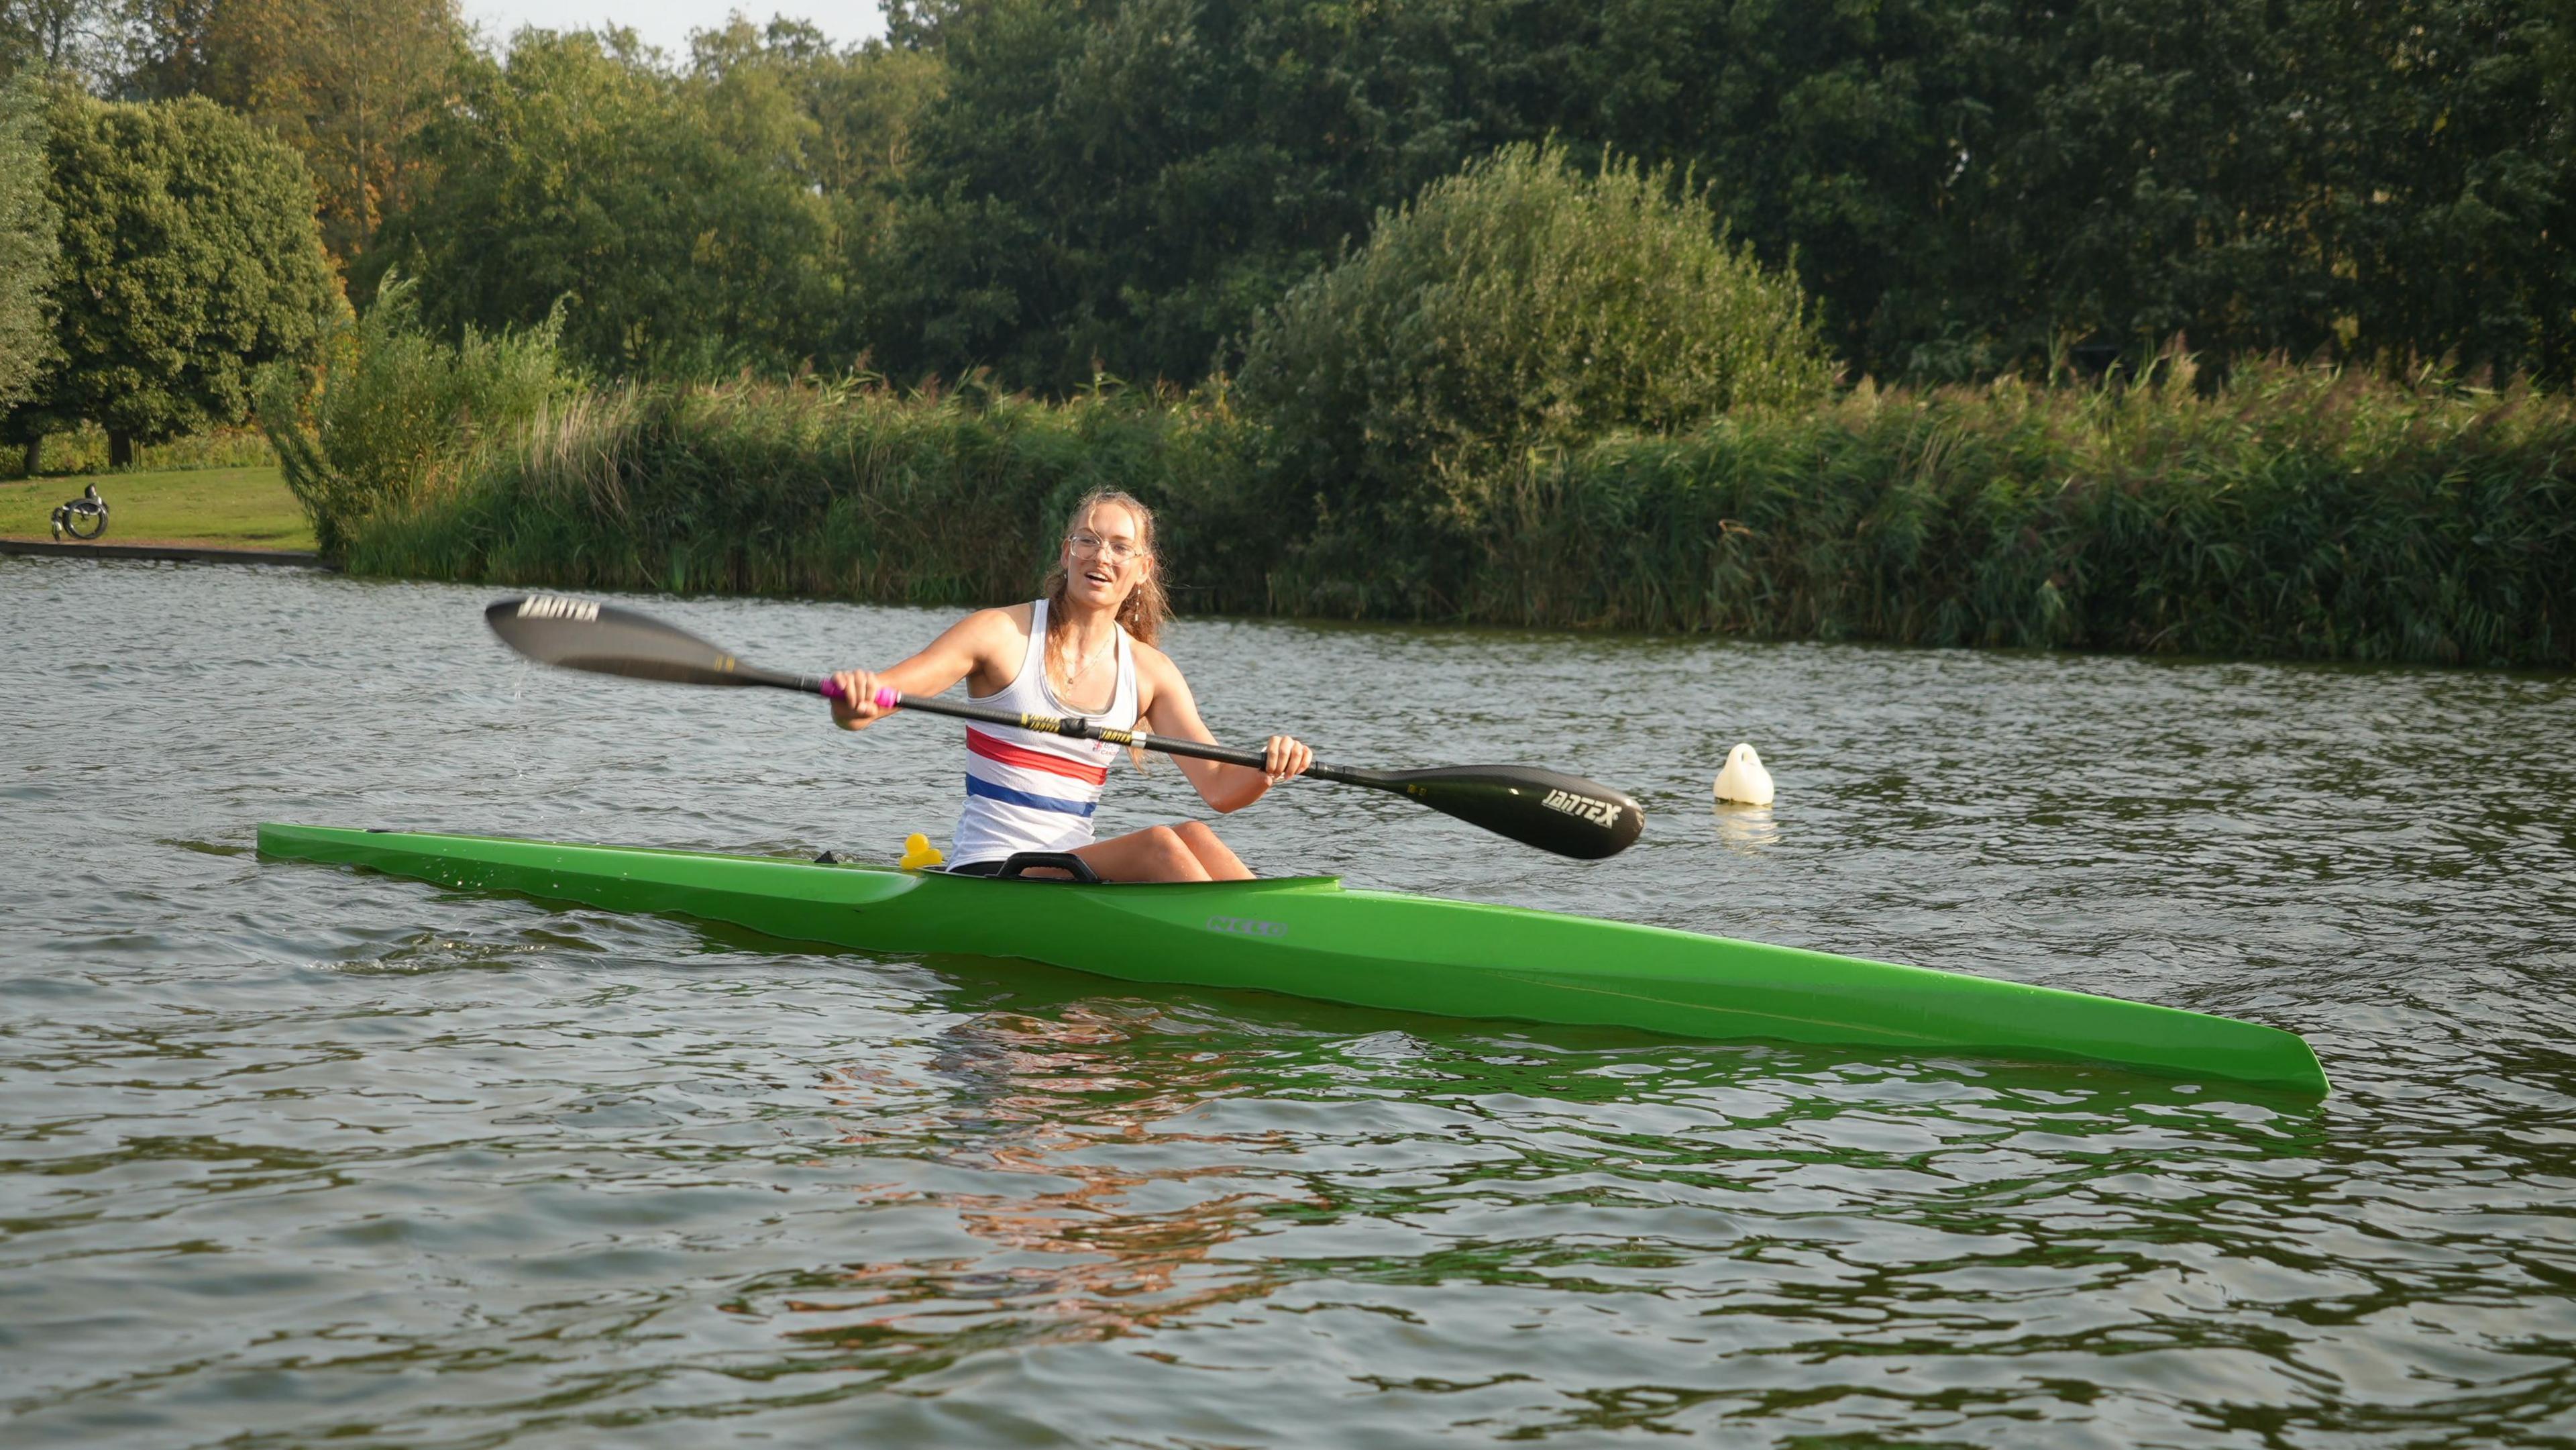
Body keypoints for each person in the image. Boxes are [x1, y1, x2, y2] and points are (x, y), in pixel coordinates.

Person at [829, 488, 1312, 882]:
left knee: (1196, 836)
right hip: (991, 870)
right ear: (1067, 553)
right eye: (1088, 540)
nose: (1102, 556)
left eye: (1121, 546)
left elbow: (1221, 788)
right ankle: (1247, 951)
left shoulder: (1150, 672)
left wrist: (1269, 767)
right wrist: (855, 695)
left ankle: (1290, 933)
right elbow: (873, 703)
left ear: (1143, 569)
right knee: (1161, 846)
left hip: (1070, 872)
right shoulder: (1000, 634)